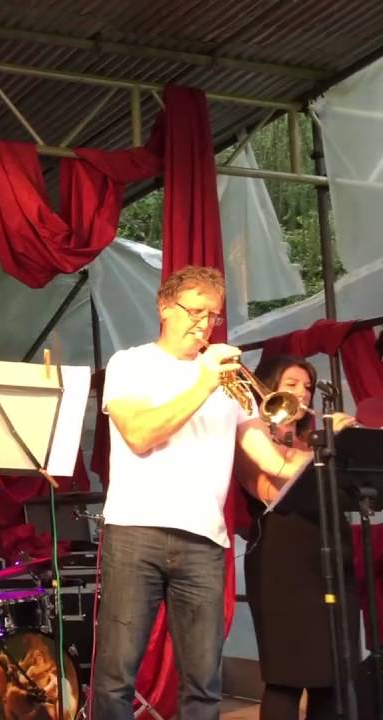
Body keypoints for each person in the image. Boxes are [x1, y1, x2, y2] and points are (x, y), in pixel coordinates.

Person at [92, 266, 353, 720]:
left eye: (212, 315)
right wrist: (204, 381)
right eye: (194, 311)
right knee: (116, 677)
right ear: (163, 307)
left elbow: (273, 463)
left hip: (207, 541)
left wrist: (325, 443)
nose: (203, 324)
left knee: (204, 683)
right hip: (136, 531)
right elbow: (139, 434)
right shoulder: (131, 364)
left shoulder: (234, 387)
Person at [237, 355, 360, 720]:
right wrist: (330, 441)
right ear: (270, 386)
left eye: (306, 387)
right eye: (291, 385)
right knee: (287, 677)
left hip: (331, 554)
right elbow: (274, 487)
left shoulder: (310, 439)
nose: (302, 394)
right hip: (282, 562)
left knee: (331, 674)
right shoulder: (251, 430)